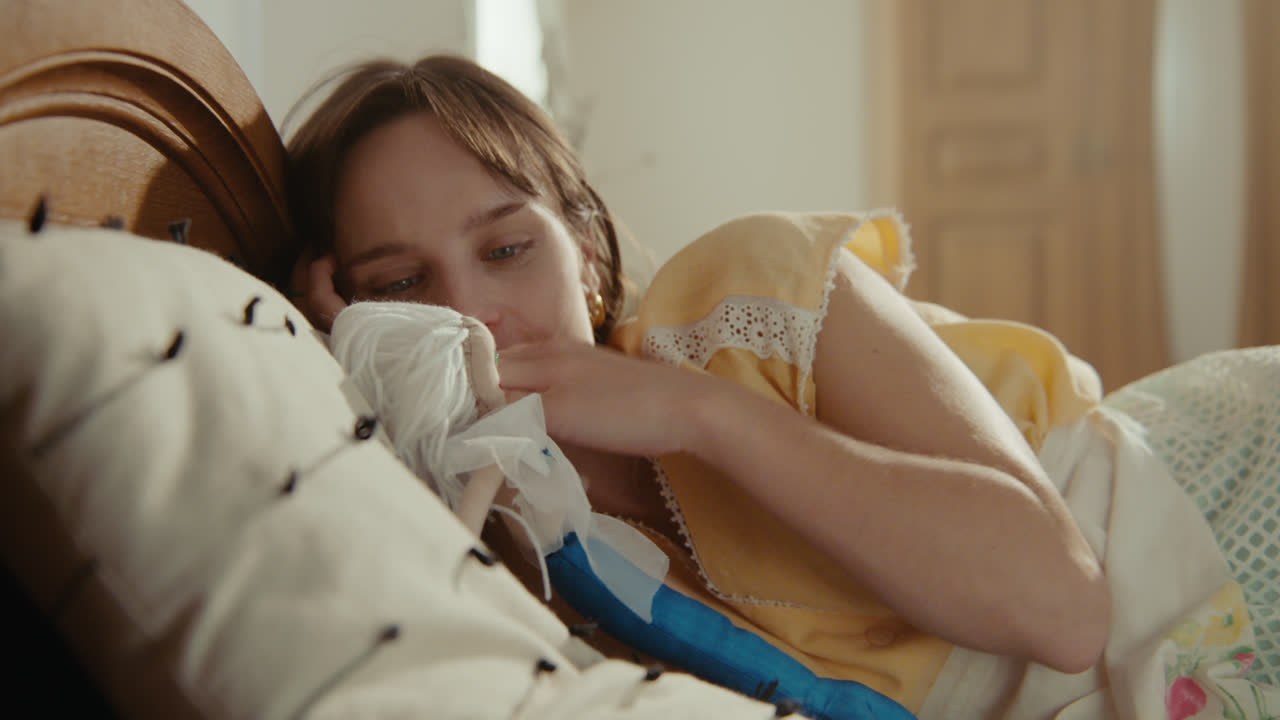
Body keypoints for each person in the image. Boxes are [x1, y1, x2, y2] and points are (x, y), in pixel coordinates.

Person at [284, 54, 1111, 716]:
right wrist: (352, 361)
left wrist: (703, 416)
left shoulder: (750, 294)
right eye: (399, 285)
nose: (470, 314)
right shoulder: (507, 542)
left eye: (506, 251)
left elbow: (1065, 610)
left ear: (587, 257)